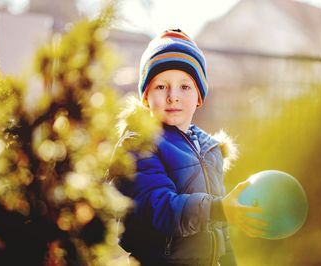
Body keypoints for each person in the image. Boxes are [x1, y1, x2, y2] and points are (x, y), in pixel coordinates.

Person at [110, 29, 267, 266]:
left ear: (199, 97)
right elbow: (159, 207)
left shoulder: (210, 149)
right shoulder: (139, 143)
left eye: (185, 87)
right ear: (145, 97)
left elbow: (219, 227)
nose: (173, 96)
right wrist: (218, 209)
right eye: (161, 87)